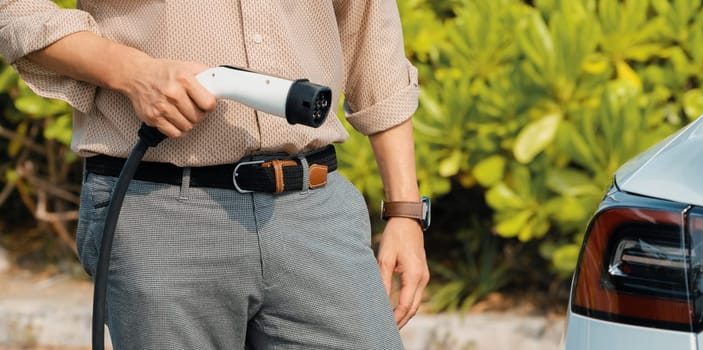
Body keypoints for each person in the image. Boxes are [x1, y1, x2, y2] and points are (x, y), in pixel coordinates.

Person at [0, 1, 429, 349]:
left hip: (313, 210)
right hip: (162, 212)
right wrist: (132, 72)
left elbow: (371, 33)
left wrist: (405, 211)